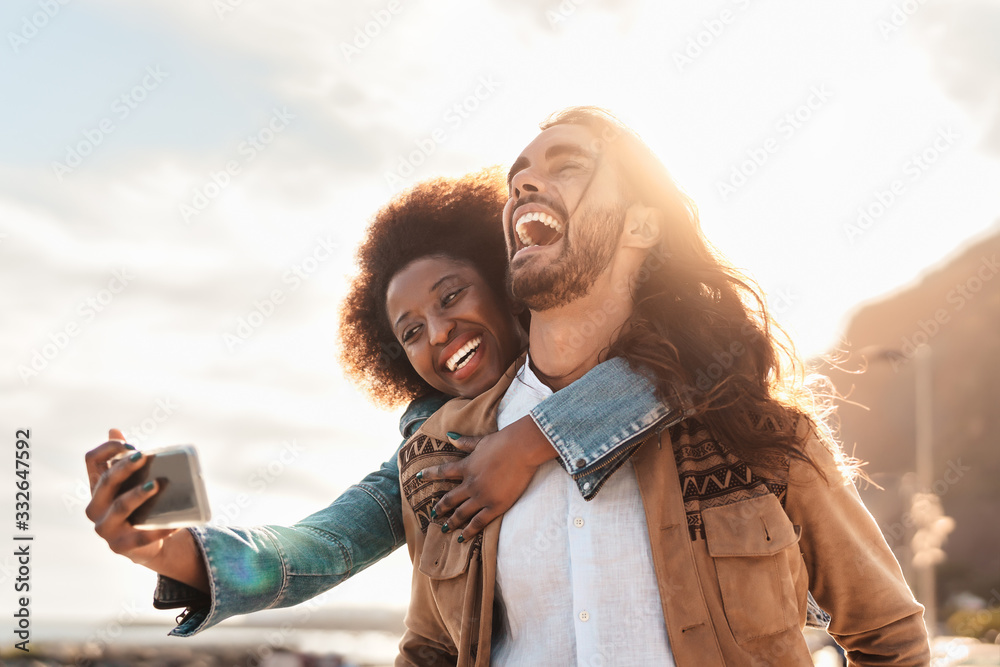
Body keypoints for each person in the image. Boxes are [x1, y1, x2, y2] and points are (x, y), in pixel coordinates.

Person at [396, 108, 932, 666]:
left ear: (642, 226)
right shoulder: (443, 455)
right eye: (519, 179)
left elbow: (889, 640)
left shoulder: (758, 433)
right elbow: (430, 651)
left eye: (569, 165)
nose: (525, 184)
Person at [83, 168, 671, 636]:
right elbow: (325, 546)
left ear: (505, 281)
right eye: (411, 332)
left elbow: (690, 372)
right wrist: (169, 550)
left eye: (452, 296)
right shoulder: (429, 459)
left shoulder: (641, 363)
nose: (438, 332)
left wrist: (522, 445)